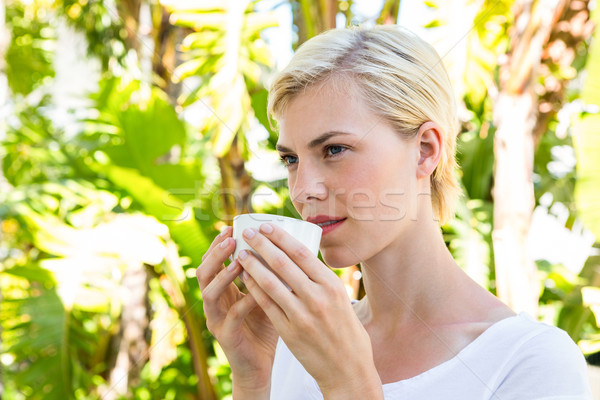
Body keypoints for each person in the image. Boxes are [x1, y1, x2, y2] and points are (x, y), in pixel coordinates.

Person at [196, 25, 592, 399]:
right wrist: (254, 375)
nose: (303, 191)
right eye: (291, 159)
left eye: (333, 150)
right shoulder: (297, 340)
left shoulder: (531, 362)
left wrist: (349, 383)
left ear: (425, 151)